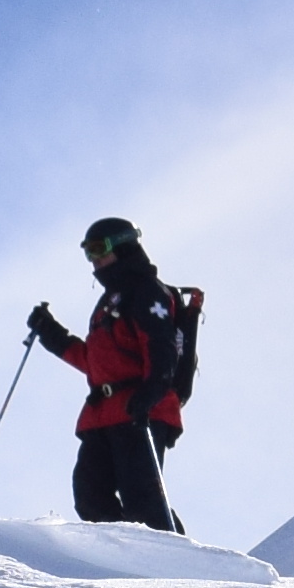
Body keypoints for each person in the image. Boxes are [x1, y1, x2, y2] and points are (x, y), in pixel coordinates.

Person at [24, 216, 199, 531]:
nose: (94, 259)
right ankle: (127, 558)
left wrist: (152, 391)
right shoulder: (109, 302)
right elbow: (97, 362)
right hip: (104, 414)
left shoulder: (147, 291)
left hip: (141, 409)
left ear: (124, 246)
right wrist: (50, 333)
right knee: (90, 496)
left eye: (99, 248)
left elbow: (160, 346)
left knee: (141, 498)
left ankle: (174, 563)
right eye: (87, 252)